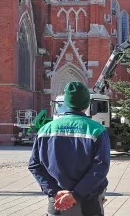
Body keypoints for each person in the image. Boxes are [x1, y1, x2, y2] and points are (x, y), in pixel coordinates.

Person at [29, 81, 110, 216]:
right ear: (87, 103)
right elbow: (100, 168)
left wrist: (54, 191)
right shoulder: (97, 130)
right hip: (89, 201)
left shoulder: (45, 130)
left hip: (58, 200)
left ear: (65, 102)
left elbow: (35, 165)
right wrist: (76, 194)